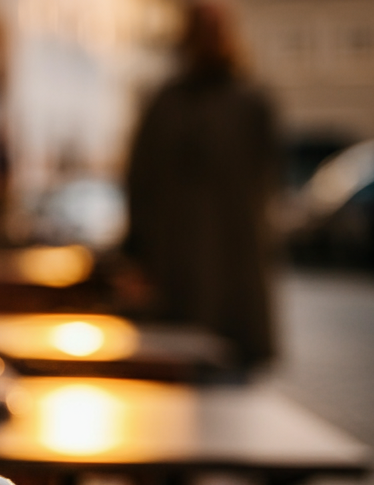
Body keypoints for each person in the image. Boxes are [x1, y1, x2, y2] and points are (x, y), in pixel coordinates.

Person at [123, 1, 281, 374]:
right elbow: (139, 183)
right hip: (175, 276)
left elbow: (265, 185)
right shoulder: (165, 104)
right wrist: (138, 254)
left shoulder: (251, 104)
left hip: (235, 275)